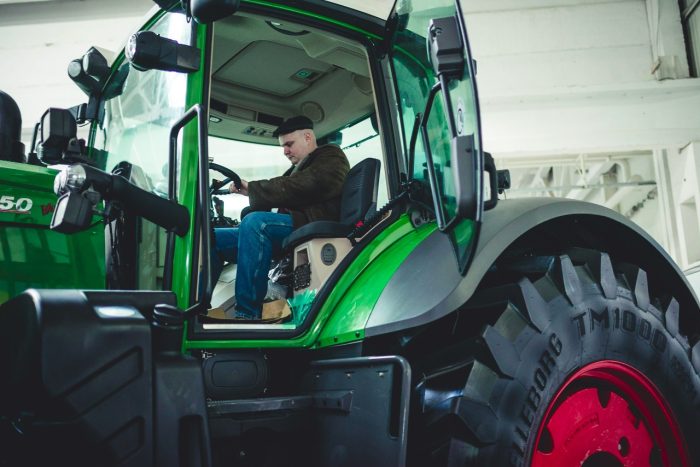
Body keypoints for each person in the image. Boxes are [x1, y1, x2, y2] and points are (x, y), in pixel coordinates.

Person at [210, 116, 350, 320]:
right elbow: (285, 192)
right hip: (292, 225)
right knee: (211, 238)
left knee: (256, 223)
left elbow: (308, 185)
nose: (285, 151)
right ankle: (197, 308)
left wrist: (254, 188)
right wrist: (248, 192)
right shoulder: (296, 169)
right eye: (283, 146)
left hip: (312, 224)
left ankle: (247, 315)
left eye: (289, 144)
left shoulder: (331, 156)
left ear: (308, 137)